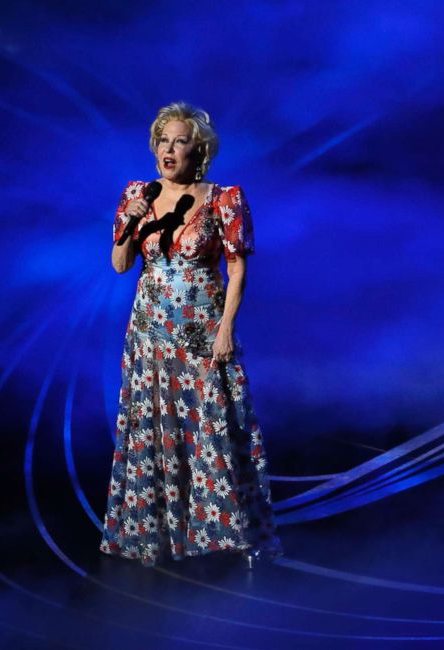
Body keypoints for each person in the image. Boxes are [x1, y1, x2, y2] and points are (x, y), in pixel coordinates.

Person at [99, 101, 283, 568]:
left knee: (213, 428)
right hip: (149, 333)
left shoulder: (224, 199)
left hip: (201, 333)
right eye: (163, 140)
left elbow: (237, 268)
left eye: (180, 141)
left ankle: (228, 536)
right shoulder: (136, 194)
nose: (169, 149)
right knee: (153, 431)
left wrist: (226, 328)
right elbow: (120, 265)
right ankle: (154, 536)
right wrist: (132, 222)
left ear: (197, 149)